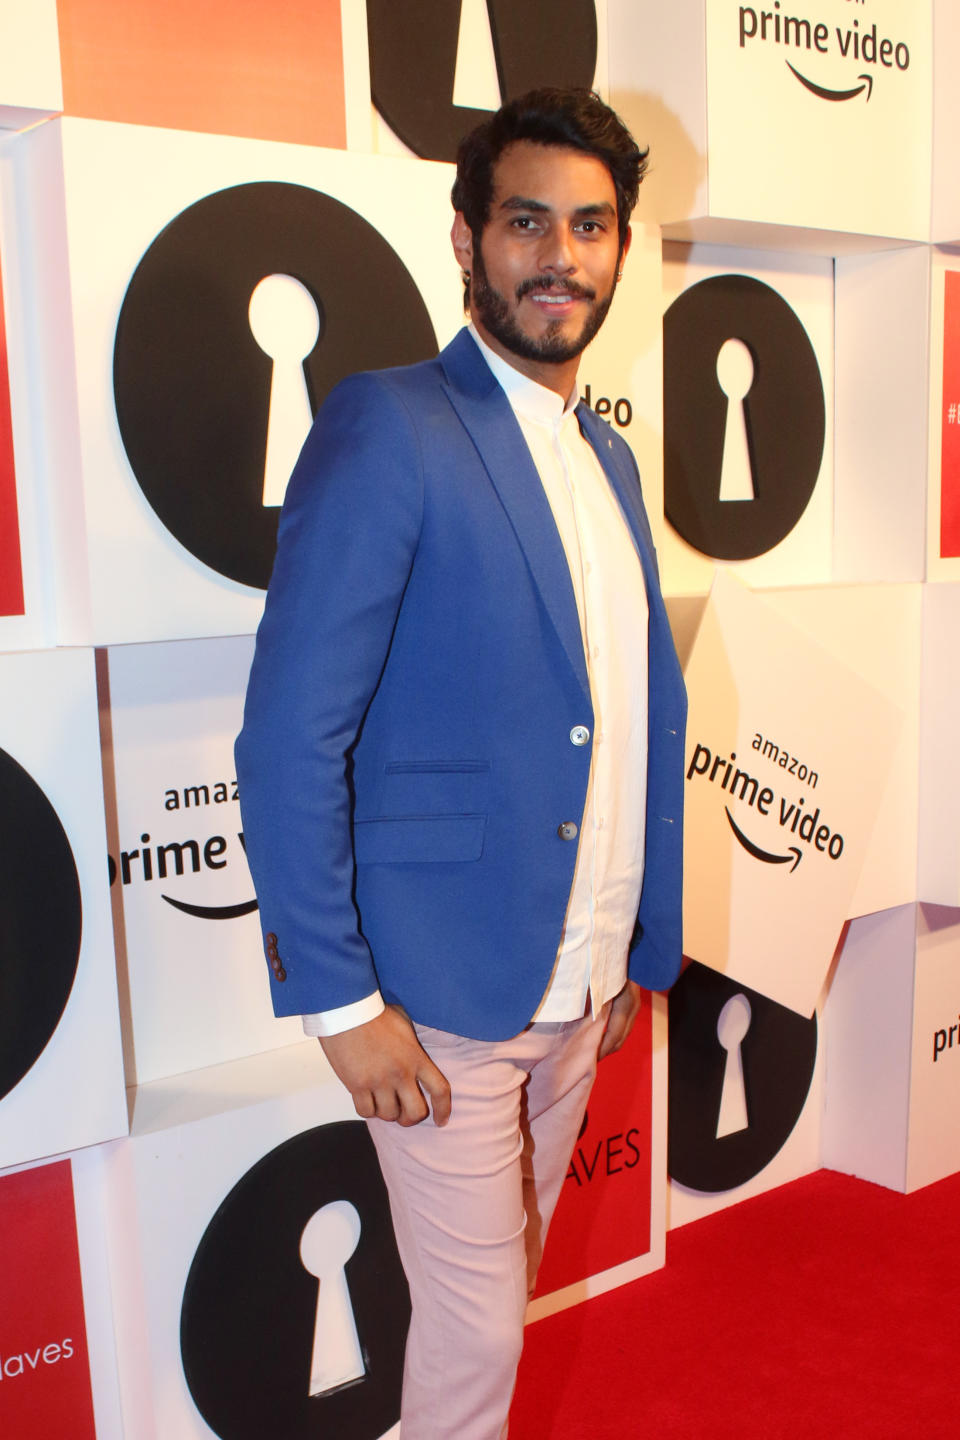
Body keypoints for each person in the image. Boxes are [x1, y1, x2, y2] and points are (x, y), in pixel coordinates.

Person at [236, 87, 686, 1440]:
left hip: (578, 984)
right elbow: (289, 732)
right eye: (528, 220)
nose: (562, 255)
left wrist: (626, 952)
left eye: (591, 226)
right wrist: (338, 1000)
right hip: (439, 1001)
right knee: (483, 1330)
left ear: (619, 248)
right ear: (466, 239)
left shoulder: (607, 456)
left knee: (498, 1298)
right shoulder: (392, 427)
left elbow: (613, 723)